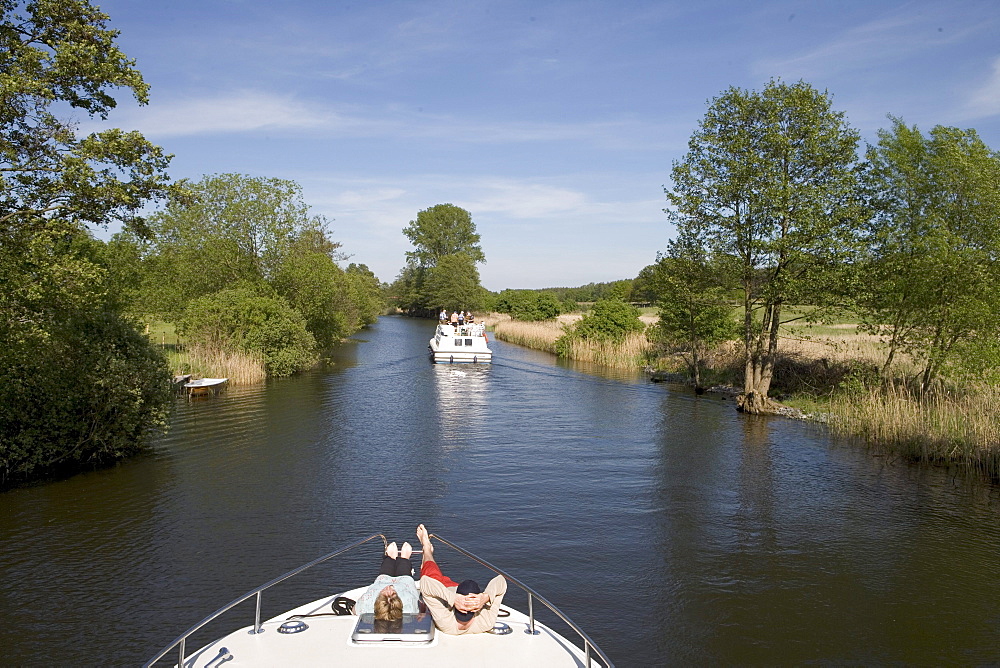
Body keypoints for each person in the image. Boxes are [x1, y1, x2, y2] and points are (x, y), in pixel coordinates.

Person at [415, 524, 507, 635]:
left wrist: (453, 599)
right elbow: (501, 581)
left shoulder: (447, 622)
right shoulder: (485, 622)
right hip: (457, 588)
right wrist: (485, 597)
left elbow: (425, 582)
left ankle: (427, 548)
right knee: (433, 572)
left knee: (431, 571)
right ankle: (427, 553)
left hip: (444, 593)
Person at [353, 541, 420, 621]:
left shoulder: (366, 603)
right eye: (393, 594)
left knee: (385, 570)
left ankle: (390, 557)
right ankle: (404, 558)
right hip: (403, 584)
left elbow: (355, 610)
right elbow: (419, 606)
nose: (389, 587)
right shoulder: (409, 607)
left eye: (384, 594)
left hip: (382, 582)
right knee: (404, 571)